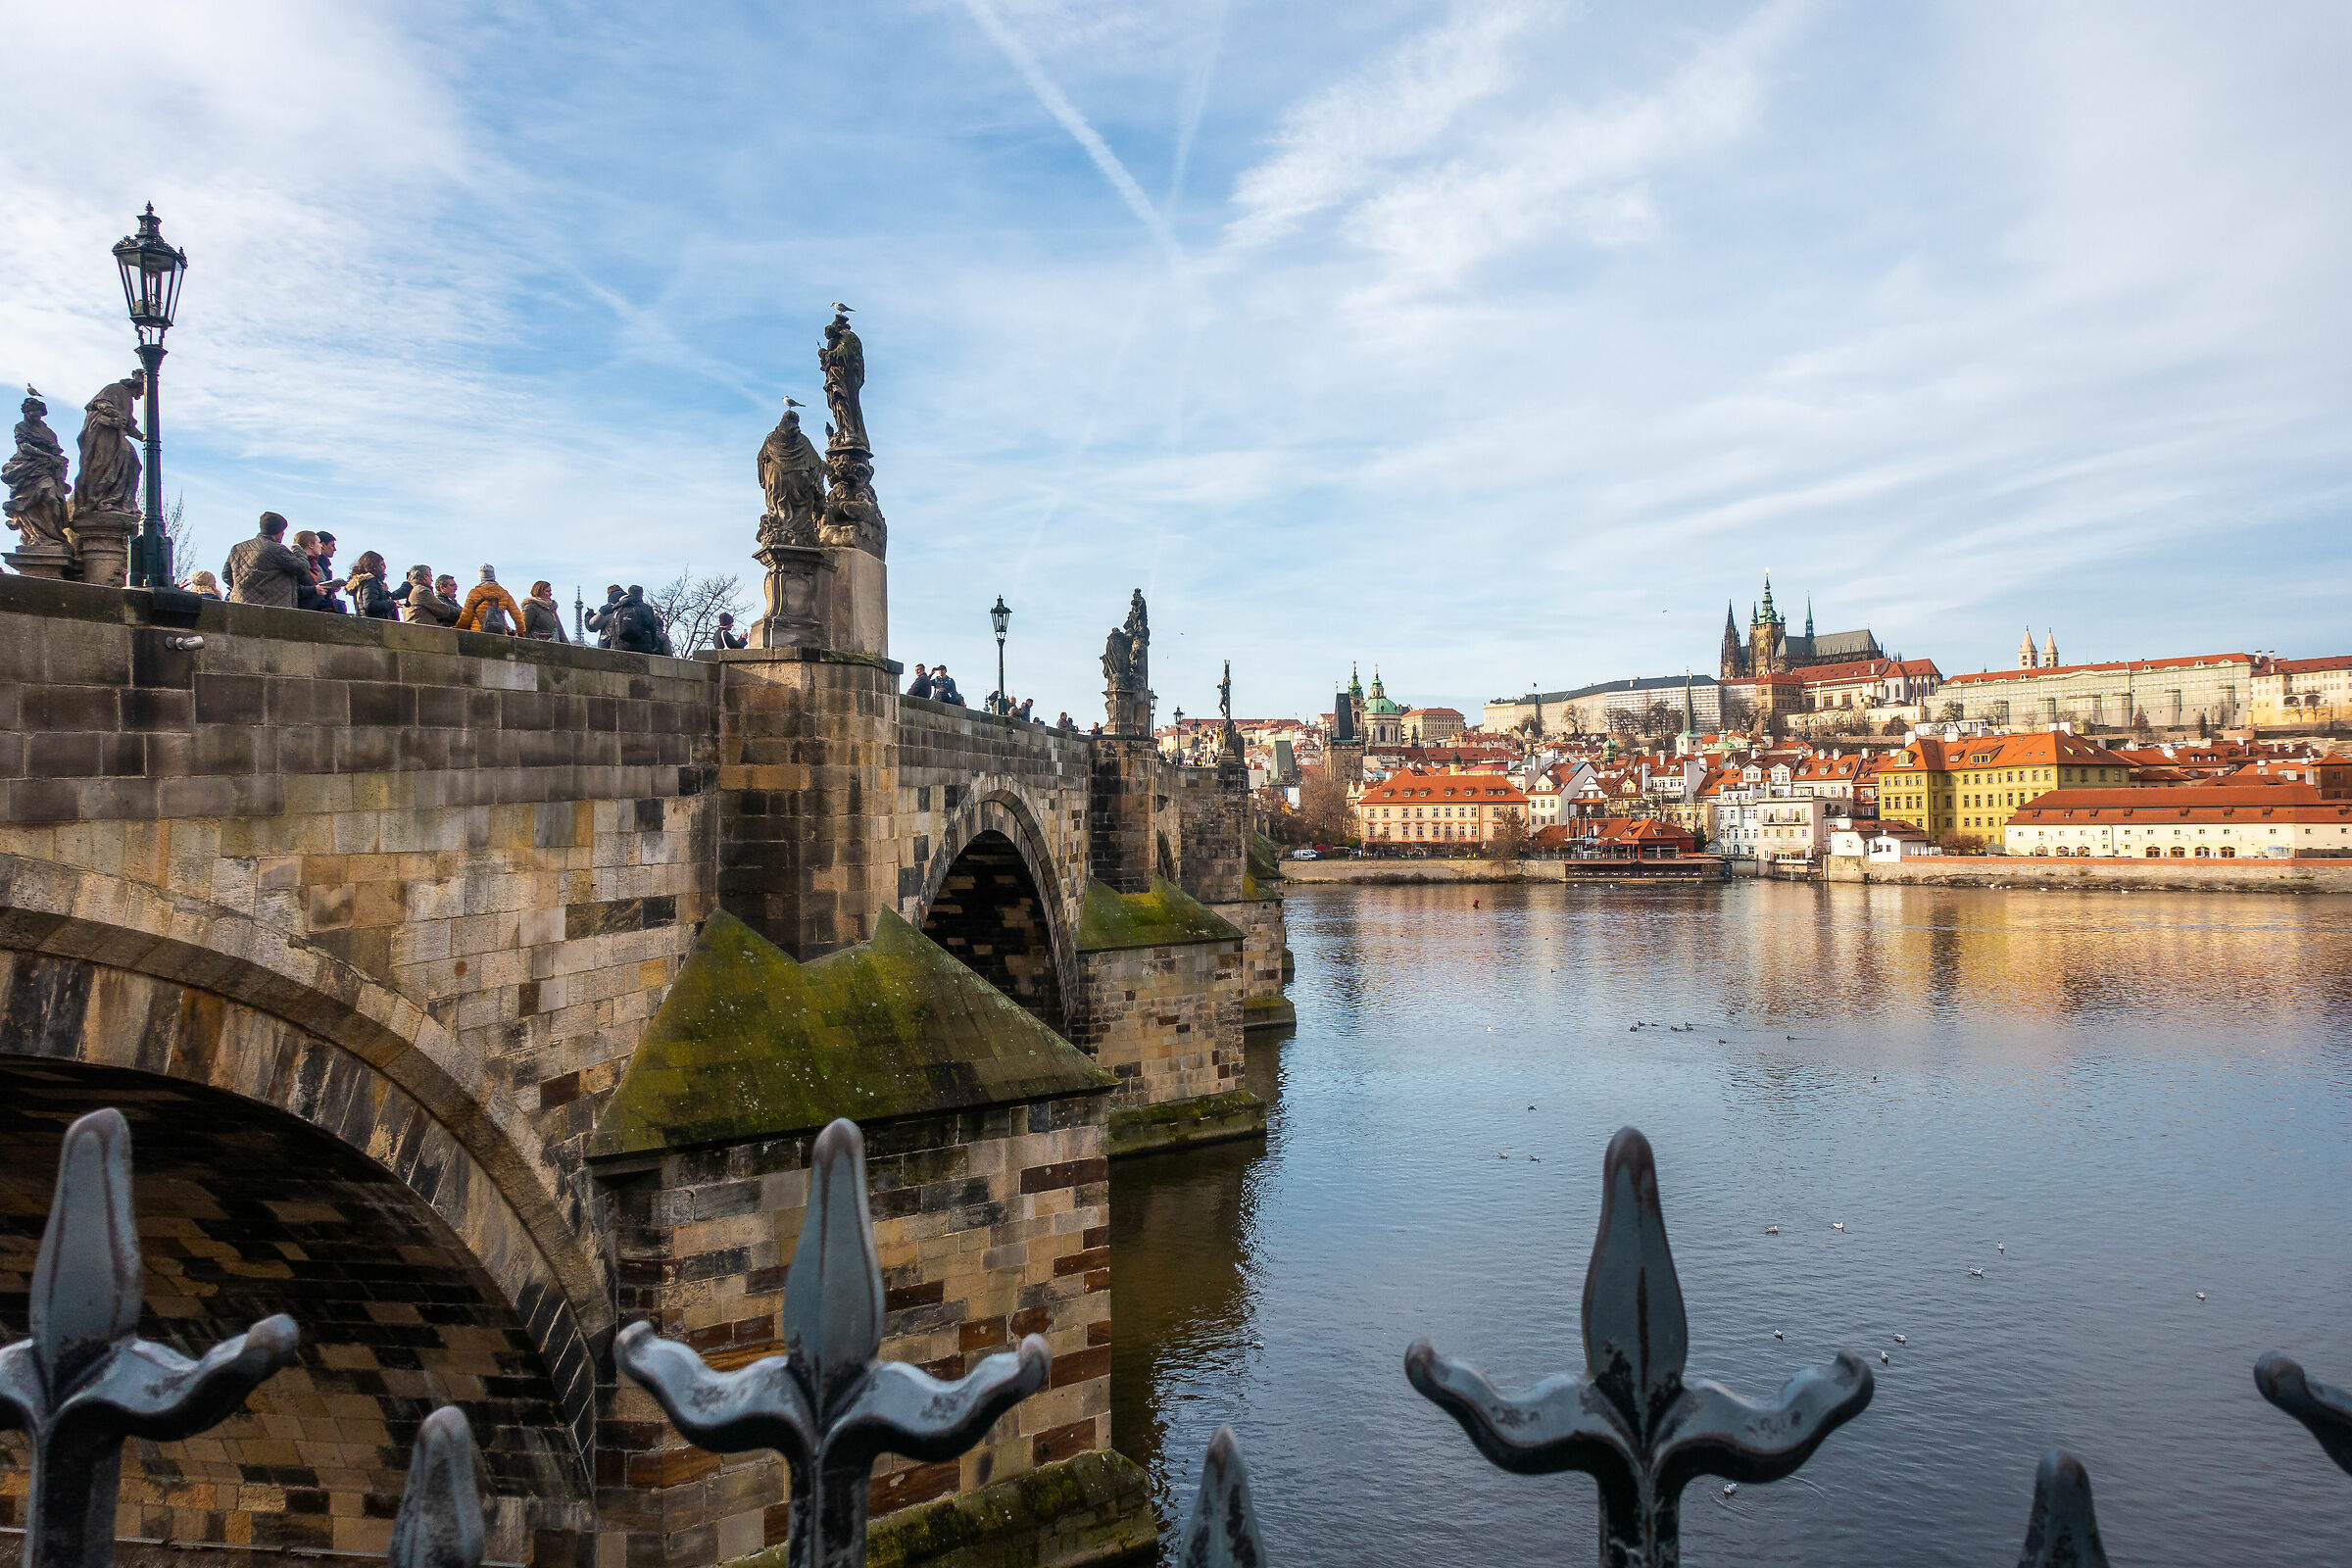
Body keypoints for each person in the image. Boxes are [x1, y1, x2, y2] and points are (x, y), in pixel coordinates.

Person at [221, 513, 313, 608]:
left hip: (241, 605)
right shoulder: (277, 549)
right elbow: (302, 568)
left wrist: (246, 588)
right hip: (272, 607)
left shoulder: (237, 548)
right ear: (280, 532)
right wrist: (298, 550)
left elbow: (226, 575)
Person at [457, 565, 523, 634]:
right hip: (500, 634)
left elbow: (466, 617)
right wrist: (520, 632)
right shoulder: (504, 594)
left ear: (481, 577)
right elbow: (517, 616)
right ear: (494, 576)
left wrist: (458, 628)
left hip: (478, 633)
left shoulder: (474, 593)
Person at [346, 552, 399, 619]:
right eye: (381, 564)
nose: (384, 567)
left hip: (365, 622)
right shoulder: (370, 581)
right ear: (374, 566)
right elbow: (370, 604)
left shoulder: (363, 582)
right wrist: (391, 604)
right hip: (375, 623)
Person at [585, 584, 625, 648]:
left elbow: (592, 626)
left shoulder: (607, 609)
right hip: (629, 646)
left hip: (609, 645)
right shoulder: (632, 607)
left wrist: (588, 616)